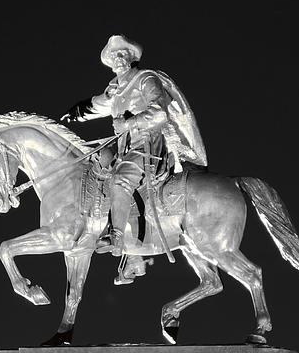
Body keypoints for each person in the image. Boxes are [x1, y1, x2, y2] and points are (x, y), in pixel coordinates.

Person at [61, 34, 207, 256]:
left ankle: (117, 237)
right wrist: (74, 113)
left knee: (121, 177)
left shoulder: (145, 79)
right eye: (113, 56)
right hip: (127, 149)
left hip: (150, 146)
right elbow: (96, 105)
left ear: (131, 57)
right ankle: (131, 252)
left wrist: (129, 123)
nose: (117, 58)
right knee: (98, 169)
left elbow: (160, 113)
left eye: (121, 54)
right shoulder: (116, 89)